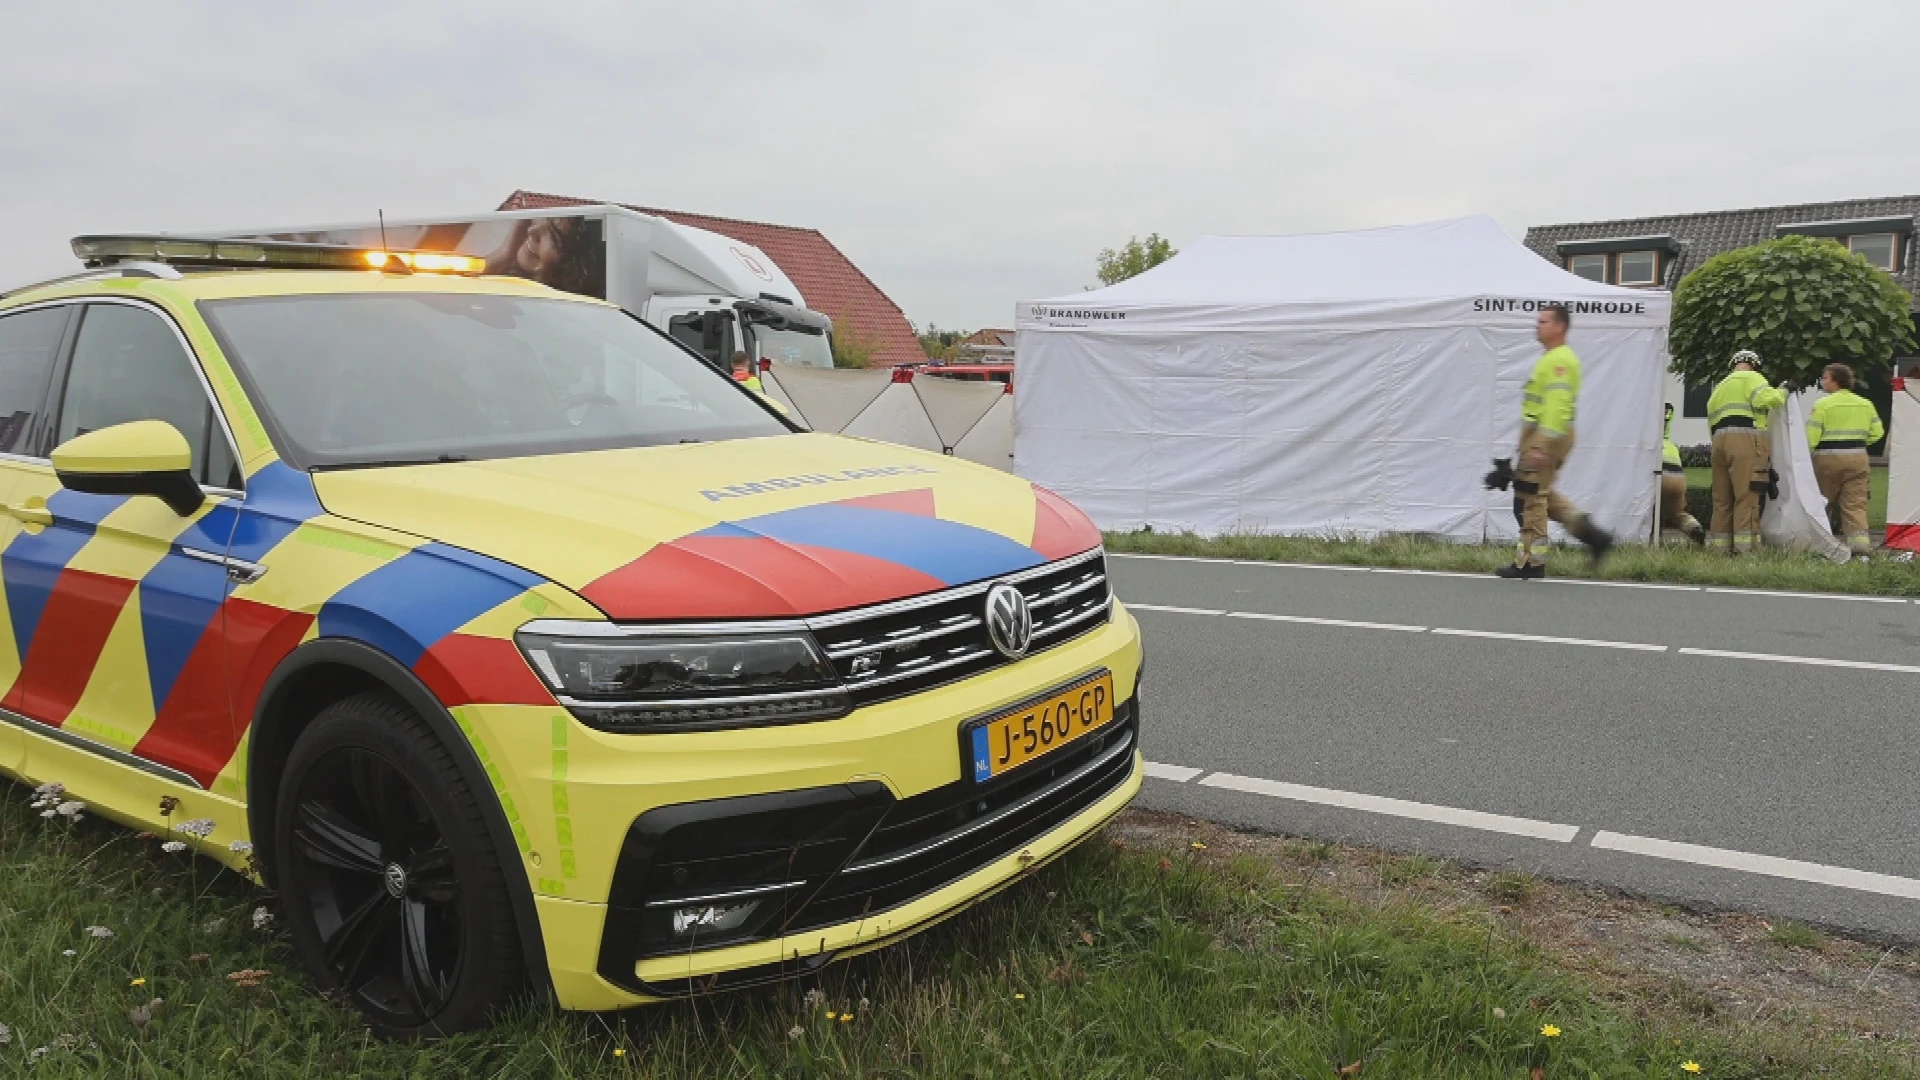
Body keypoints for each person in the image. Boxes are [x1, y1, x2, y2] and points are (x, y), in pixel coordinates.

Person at [1496, 304, 1614, 579]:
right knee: (1539, 493)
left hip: (1547, 434)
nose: (1537, 325)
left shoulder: (1560, 360)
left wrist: (1540, 446)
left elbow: (1557, 406)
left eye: (1543, 321)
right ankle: (1593, 536)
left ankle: (1530, 563)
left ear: (1560, 327)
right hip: (1542, 434)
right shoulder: (1552, 358)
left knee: (1530, 497)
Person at [1704, 350, 1786, 554]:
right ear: (1753, 364)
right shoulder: (1752, 377)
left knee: (1722, 499)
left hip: (1719, 444)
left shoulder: (1718, 389)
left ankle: (1719, 549)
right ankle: (1746, 550)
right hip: (1746, 440)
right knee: (1747, 496)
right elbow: (1766, 400)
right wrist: (1783, 392)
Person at [1806, 363, 1884, 557]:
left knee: (1823, 503)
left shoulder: (1822, 405)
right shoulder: (1865, 404)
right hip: (1858, 457)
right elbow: (1877, 433)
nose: (1823, 381)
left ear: (1835, 380)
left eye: (1825, 378)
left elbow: (1811, 438)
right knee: (1855, 505)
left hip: (1828, 459)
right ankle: (1860, 550)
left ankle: (1822, 548)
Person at [1660, 403, 1705, 545]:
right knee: (1676, 513)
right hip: (1677, 476)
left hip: (1659, 471)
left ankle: (1651, 541)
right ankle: (1694, 528)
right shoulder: (1671, 445)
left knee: (1648, 510)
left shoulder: (1648, 442)